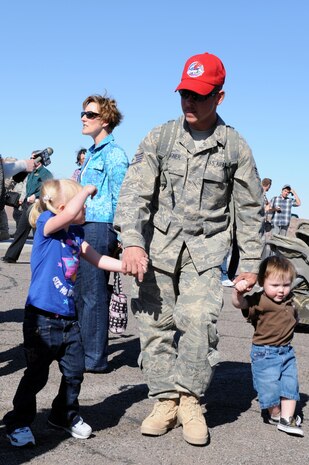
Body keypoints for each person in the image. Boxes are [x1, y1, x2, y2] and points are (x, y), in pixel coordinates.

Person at [114, 52, 264, 446]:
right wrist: (131, 241)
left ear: (220, 96)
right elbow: (134, 194)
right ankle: (164, 399)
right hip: (157, 249)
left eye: (199, 95)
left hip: (205, 253)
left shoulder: (233, 147)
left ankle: (190, 400)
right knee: (154, 327)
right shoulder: (160, 137)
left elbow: (249, 209)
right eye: (184, 93)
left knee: (199, 326)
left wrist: (249, 262)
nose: (189, 102)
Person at [2, 179, 148, 447]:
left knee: (74, 371)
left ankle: (63, 415)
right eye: (82, 204)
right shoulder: (47, 225)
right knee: (36, 375)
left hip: (69, 320)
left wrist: (125, 266)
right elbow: (68, 214)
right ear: (61, 207)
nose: (87, 208)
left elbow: (98, 259)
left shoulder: (75, 236)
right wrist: (86, 190)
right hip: (41, 319)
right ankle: (18, 422)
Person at [74, 94, 129, 373]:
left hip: (101, 227)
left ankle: (94, 358)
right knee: (82, 291)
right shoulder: (92, 153)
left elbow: (123, 197)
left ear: (105, 120)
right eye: (82, 113)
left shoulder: (115, 154)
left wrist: (122, 238)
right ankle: (84, 351)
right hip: (85, 225)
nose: (83, 118)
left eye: (90, 114)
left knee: (93, 293)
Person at [232, 256, 304, 437]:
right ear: (263, 282)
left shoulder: (291, 300)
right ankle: (275, 414)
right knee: (269, 388)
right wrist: (238, 293)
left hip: (287, 351)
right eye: (275, 286)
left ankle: (287, 419)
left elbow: (296, 316)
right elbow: (240, 304)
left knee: (290, 384)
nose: (281, 290)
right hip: (264, 353)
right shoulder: (260, 300)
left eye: (286, 285)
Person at [1, 151, 53, 263]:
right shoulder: (30, 172)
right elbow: (26, 186)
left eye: (33, 157)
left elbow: (49, 189)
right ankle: (10, 256)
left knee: (38, 234)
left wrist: (36, 195)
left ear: (40, 159)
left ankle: (41, 258)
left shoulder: (46, 173)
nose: (31, 159)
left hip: (38, 206)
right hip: (27, 204)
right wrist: (23, 197)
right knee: (21, 231)